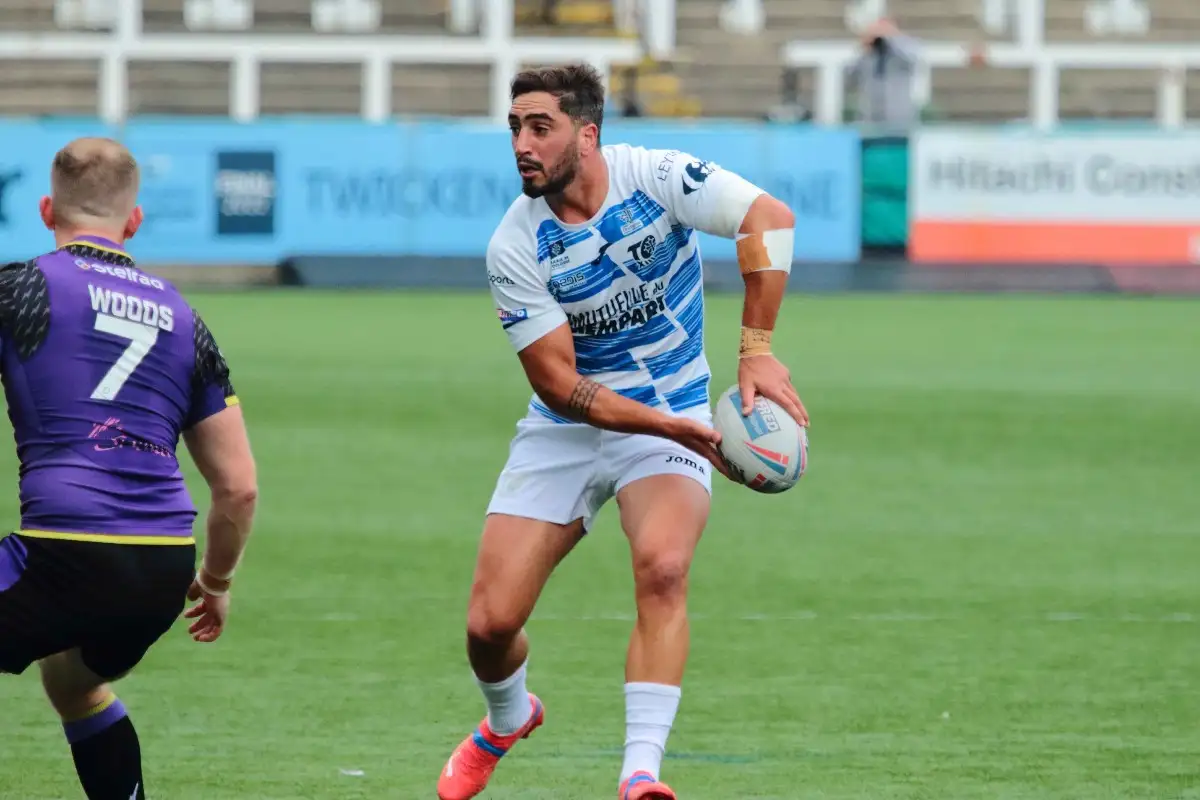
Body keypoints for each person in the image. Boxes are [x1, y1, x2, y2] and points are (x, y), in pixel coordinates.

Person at [437, 64, 808, 800]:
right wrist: (667, 425)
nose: (522, 143)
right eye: (515, 127)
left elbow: (769, 218)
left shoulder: (657, 176)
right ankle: (507, 719)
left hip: (673, 402)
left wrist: (755, 352)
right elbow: (561, 387)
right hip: (570, 425)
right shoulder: (514, 245)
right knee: (488, 624)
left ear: (588, 133)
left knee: (664, 569)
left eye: (539, 126)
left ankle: (640, 773)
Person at [0, 137, 258, 800]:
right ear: (134, 220)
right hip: (161, 570)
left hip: (64, 552)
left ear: (46, 209)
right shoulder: (185, 319)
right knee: (74, 681)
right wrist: (217, 581)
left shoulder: (22, 287)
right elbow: (238, 486)